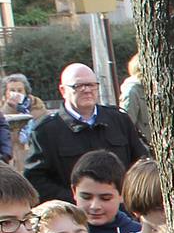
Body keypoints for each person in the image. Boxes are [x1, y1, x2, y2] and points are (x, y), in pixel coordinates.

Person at [22, 63, 148, 203]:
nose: (87, 90)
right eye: (78, 86)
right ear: (63, 91)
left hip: (123, 210)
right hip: (74, 216)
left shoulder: (119, 120)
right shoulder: (46, 131)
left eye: (91, 85)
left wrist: (124, 196)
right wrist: (79, 200)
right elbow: (36, 180)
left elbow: (140, 163)